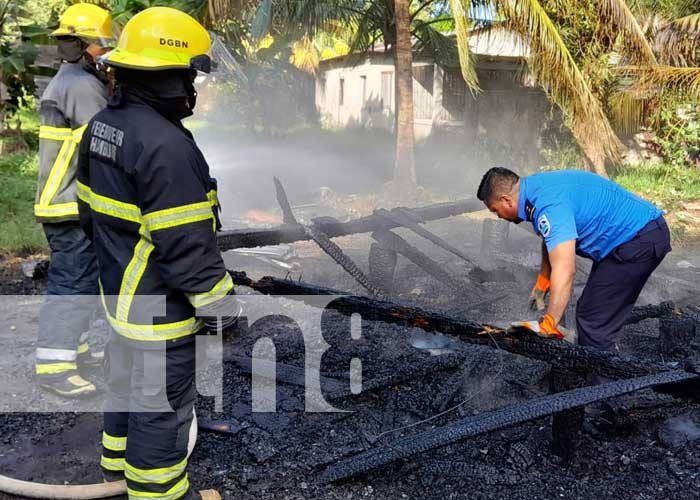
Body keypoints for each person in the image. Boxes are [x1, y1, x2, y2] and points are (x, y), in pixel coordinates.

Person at [77, 7, 240, 500]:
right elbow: (187, 245)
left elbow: (89, 217)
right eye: (188, 73)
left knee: (125, 386)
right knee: (162, 412)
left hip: (122, 299)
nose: (192, 85)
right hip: (159, 312)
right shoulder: (166, 145)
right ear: (166, 75)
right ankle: (158, 493)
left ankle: (113, 470)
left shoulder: (103, 126)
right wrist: (222, 311)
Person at [476, 167, 671, 351]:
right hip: (632, 237)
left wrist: (550, 323)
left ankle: (603, 383)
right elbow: (551, 240)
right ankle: (602, 355)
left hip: (638, 240)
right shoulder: (535, 190)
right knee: (592, 310)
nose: (499, 217)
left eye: (495, 210)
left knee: (593, 318)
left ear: (506, 200)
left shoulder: (549, 206)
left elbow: (566, 268)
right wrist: (542, 285)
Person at [34, 3, 113, 397]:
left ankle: (75, 350)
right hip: (70, 203)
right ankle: (54, 366)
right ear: (84, 46)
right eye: (102, 47)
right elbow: (106, 144)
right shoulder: (83, 87)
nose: (107, 55)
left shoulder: (69, 80)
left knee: (82, 279)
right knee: (73, 283)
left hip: (64, 201)